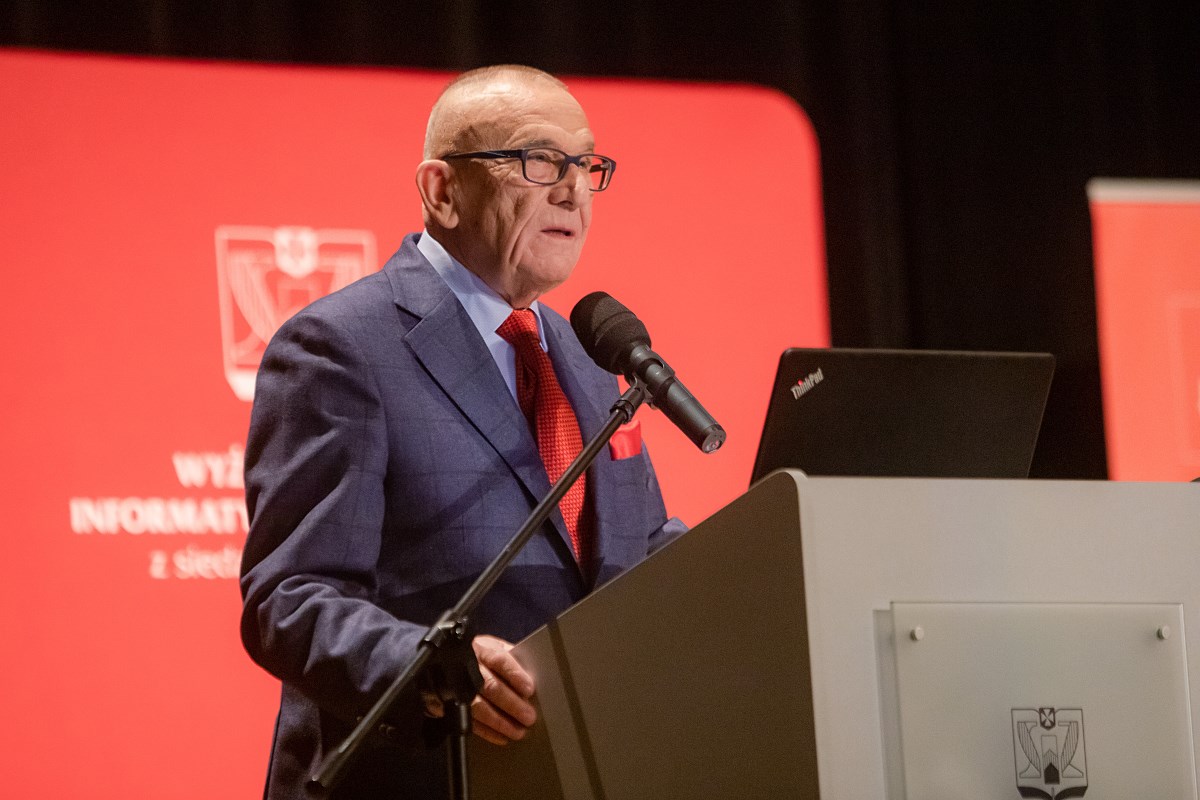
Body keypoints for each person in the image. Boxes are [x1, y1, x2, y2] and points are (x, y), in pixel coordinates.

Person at [239, 65, 683, 799]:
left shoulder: (588, 357)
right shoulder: (341, 346)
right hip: (416, 778)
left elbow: (634, 552)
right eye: (539, 160)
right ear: (442, 190)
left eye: (586, 165)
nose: (572, 189)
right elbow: (290, 599)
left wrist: (758, 553)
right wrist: (434, 673)